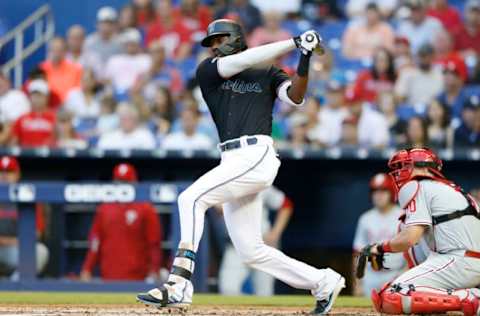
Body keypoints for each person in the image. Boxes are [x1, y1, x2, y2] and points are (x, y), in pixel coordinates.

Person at [137, 19, 345, 314]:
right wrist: (292, 42)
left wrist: (305, 55)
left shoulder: (268, 72)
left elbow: (296, 97)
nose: (213, 47)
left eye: (218, 40)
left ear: (234, 38)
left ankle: (179, 283)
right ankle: (323, 281)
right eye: (211, 43)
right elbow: (242, 60)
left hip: (256, 153)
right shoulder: (209, 70)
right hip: (232, 158)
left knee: (190, 198)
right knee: (251, 251)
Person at [362, 147, 480, 315]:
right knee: (404, 226)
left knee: (391, 296)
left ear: (425, 167)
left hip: (458, 261)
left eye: (405, 166)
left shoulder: (420, 185)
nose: (400, 173)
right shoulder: (450, 189)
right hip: (465, 262)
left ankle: (469, 298)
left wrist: (379, 248)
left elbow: (409, 238)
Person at [81, 163, 163, 281]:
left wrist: (154, 270)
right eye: (119, 182)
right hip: (108, 276)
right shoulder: (105, 208)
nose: (122, 186)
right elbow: (95, 242)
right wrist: (87, 269)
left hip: (138, 278)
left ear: (134, 183)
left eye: (126, 182)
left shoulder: (146, 208)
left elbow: (154, 243)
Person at [218, 186, 293, 296]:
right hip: (235, 247)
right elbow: (217, 207)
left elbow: (286, 204)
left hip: (262, 245)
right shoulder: (225, 185)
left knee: (264, 293)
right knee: (228, 289)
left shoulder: (260, 184)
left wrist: (275, 232)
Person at [353, 173, 404, 297]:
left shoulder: (403, 215)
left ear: (392, 192)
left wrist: (406, 276)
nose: (379, 195)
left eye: (383, 190)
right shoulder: (365, 218)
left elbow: (413, 251)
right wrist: (358, 284)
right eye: (375, 191)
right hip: (370, 277)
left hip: (397, 275)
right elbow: (357, 254)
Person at [0, 156, 49, 279]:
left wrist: (11, 242)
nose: (4, 176)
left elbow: (37, 233)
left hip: (16, 249)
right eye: (1, 172)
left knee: (40, 251)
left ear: (17, 175)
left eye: (9, 172)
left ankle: (14, 286)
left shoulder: (28, 196)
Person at [395, 44, 443, 111]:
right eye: (422, 56)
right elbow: (399, 97)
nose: (425, 59)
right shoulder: (407, 73)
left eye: (428, 56)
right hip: (412, 110)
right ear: (416, 57)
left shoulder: (440, 73)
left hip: (434, 111)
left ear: (433, 57)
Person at [104, 28, 151, 97]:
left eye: (133, 43)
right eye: (128, 43)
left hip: (137, 94)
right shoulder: (114, 60)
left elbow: (146, 77)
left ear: (138, 44)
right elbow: (107, 79)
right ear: (123, 44)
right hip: (116, 94)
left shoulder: (145, 59)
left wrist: (135, 89)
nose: (130, 46)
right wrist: (115, 91)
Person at [10, 80, 56, 148]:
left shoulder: (54, 118)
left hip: (50, 156)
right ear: (29, 97)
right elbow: (13, 142)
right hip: (25, 156)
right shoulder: (22, 119)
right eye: (34, 95)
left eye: (40, 95)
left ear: (47, 97)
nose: (37, 99)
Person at [40, 37, 82, 107]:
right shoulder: (41, 69)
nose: (56, 53)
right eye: (53, 50)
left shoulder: (76, 69)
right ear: (49, 51)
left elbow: (78, 93)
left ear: (65, 52)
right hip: (48, 107)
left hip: (70, 108)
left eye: (59, 50)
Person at [0, 73, 30, 146]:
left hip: (14, 131)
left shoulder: (18, 96)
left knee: (9, 127)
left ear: (8, 82)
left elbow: (18, 121)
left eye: (1, 83)